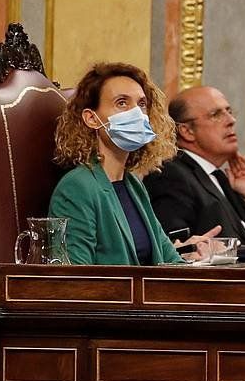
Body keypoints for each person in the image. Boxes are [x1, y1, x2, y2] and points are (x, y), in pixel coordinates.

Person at [49, 62, 220, 266]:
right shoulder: (77, 187)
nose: (136, 114)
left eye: (141, 104)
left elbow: (169, 260)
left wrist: (200, 263)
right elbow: (77, 279)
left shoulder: (132, 184)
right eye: (122, 103)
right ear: (91, 119)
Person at [144, 86, 245, 246]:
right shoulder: (169, 176)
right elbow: (175, 250)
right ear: (187, 131)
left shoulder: (222, 179)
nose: (231, 121)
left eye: (229, 111)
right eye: (216, 115)